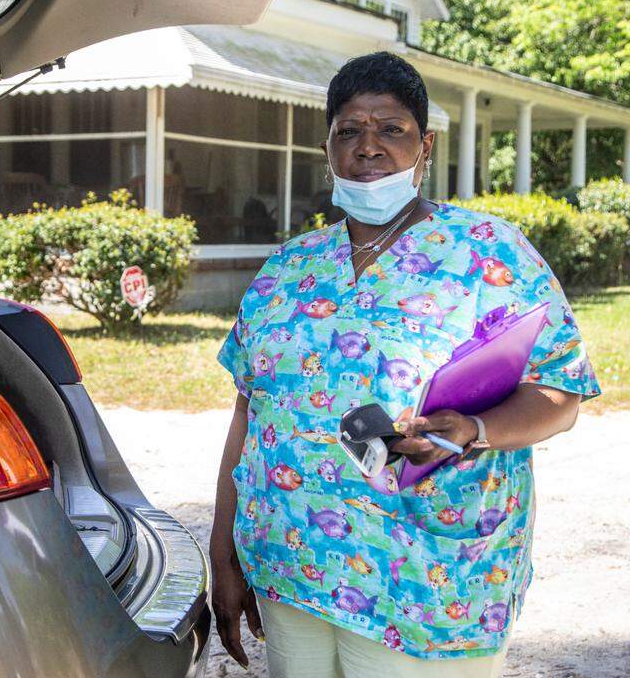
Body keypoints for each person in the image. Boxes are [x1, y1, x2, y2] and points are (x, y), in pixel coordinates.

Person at [210, 52, 600, 677]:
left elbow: (560, 394)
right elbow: (248, 412)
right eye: (349, 131)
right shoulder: (287, 268)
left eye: (390, 129)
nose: (368, 147)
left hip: (426, 583)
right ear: (328, 146)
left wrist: (475, 431)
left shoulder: (490, 255)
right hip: (291, 565)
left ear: (425, 146)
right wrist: (223, 551)